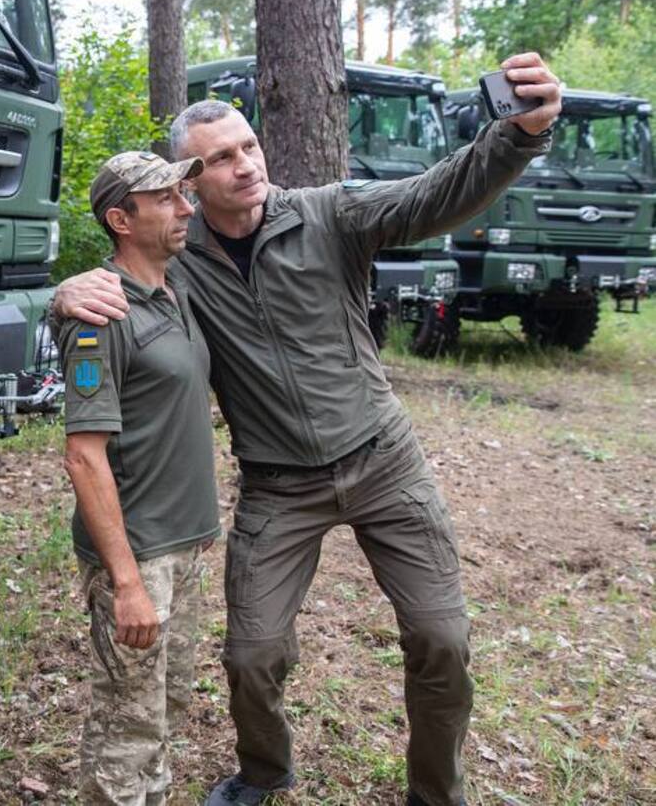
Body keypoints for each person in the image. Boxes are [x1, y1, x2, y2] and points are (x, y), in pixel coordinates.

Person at [53, 54, 563, 806]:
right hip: (279, 484)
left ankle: (437, 793)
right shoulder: (178, 261)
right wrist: (63, 292)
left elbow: (435, 194)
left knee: (442, 639)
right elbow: (115, 282)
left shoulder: (330, 214)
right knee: (252, 654)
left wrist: (518, 134)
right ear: (189, 181)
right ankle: (264, 770)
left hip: (384, 462)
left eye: (250, 146)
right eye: (220, 158)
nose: (245, 165)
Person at [60, 151, 220, 804]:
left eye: (185, 194)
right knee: (126, 729)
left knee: (163, 709)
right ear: (121, 219)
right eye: (167, 198)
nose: (186, 207)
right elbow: (83, 456)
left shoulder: (176, 291)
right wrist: (126, 583)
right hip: (139, 553)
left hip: (182, 545)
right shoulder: (101, 314)